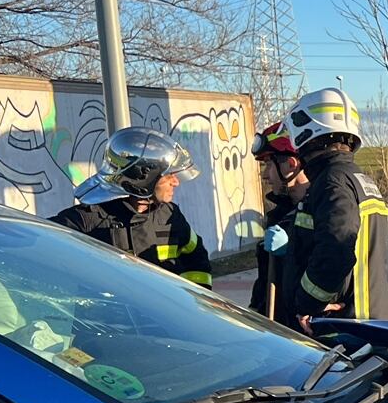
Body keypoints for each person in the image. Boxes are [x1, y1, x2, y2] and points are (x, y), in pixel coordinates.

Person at [278, 87, 388, 329]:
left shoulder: (331, 182)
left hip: (346, 329)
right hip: (369, 322)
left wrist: (307, 304)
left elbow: (335, 251)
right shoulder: (357, 178)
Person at [51, 126, 213, 287]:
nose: (176, 182)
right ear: (143, 179)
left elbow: (195, 258)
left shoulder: (170, 215)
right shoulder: (86, 220)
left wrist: (196, 303)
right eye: (169, 176)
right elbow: (33, 242)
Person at [248, 120, 310, 319]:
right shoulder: (279, 216)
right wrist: (256, 312)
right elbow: (267, 279)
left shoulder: (323, 210)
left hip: (308, 327)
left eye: (269, 165)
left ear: (291, 165)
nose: (265, 176)